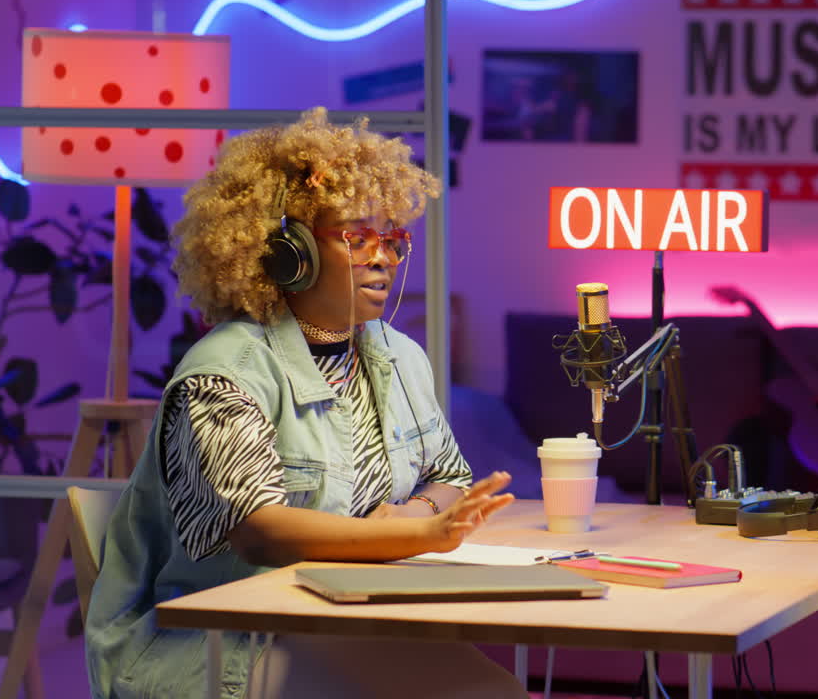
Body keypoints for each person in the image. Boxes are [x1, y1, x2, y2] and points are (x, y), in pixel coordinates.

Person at [84, 108, 528, 698]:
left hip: (348, 618)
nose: (384, 259)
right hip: (222, 640)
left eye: (391, 240)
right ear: (289, 252)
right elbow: (257, 530)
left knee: (497, 693)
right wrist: (420, 537)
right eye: (356, 237)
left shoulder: (400, 355)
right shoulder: (222, 375)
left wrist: (416, 513)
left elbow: (449, 475)